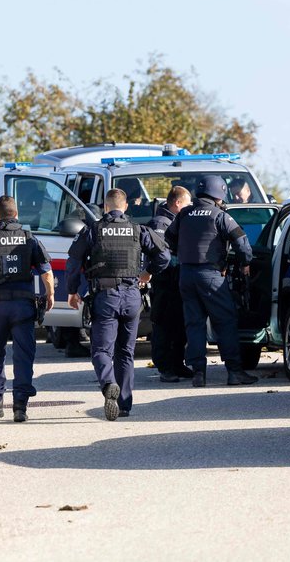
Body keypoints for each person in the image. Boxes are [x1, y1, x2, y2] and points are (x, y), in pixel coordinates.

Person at [67, 188, 169, 421]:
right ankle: (124, 404)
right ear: (125, 207)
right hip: (132, 296)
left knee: (102, 350)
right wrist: (147, 274)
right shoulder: (138, 230)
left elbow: (73, 261)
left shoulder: (92, 231)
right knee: (126, 352)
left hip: (105, 296)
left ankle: (108, 384)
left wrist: (72, 291)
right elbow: (163, 255)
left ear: (105, 207)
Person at [0, 196, 54, 423]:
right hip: (23, 307)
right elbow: (46, 271)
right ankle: (20, 406)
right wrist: (50, 294)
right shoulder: (29, 238)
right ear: (16, 215)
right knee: (24, 355)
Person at [165, 175, 258, 387]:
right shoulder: (220, 216)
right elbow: (242, 243)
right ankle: (234, 372)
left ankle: (198, 374)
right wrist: (245, 263)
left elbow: (169, 239)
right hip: (212, 276)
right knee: (225, 322)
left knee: (195, 325)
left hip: (186, 276)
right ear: (219, 192)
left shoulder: (184, 214)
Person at [147, 186, 193, 382]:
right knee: (164, 326)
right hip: (165, 282)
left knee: (179, 326)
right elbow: (160, 255)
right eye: (188, 203)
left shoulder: (177, 220)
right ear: (178, 203)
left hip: (177, 282)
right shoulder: (160, 223)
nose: (190, 207)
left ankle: (177, 363)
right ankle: (165, 367)